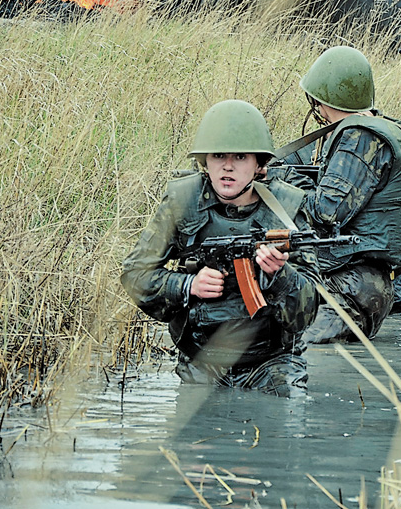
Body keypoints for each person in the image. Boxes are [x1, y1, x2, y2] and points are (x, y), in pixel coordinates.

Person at [120, 100, 320, 396]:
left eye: (240, 156)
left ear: (259, 164)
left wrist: (281, 276)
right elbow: (134, 275)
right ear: (204, 161)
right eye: (218, 156)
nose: (228, 166)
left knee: (287, 417)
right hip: (202, 361)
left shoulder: (287, 210)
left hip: (272, 363)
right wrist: (188, 285)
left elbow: (311, 308)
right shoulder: (182, 203)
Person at [295, 46, 401, 344]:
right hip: (364, 285)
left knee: (290, 345)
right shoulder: (387, 130)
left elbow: (326, 212)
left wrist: (283, 184)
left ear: (321, 98)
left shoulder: (360, 137)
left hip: (353, 286)